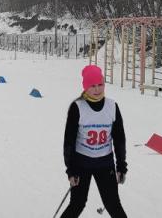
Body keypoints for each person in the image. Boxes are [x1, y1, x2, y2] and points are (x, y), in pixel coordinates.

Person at [61, 65, 128, 218]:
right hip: (81, 165)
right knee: (77, 204)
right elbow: (69, 142)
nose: (97, 89)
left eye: (100, 84)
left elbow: (119, 138)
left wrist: (121, 165)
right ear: (85, 86)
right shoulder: (77, 107)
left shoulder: (112, 106)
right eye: (92, 85)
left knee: (112, 203)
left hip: (105, 164)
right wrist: (71, 170)